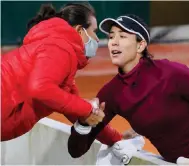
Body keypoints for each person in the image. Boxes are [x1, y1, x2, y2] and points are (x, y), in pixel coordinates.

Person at [67, 14, 189, 164]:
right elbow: (76, 150)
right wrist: (84, 123)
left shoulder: (173, 73)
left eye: (122, 36)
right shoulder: (111, 94)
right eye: (112, 37)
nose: (114, 43)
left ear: (140, 45)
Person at [1, 2, 124, 144]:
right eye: (94, 32)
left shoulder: (59, 56)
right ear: (79, 30)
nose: (97, 39)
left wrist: (117, 140)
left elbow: (74, 109)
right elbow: (40, 88)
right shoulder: (59, 47)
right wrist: (87, 108)